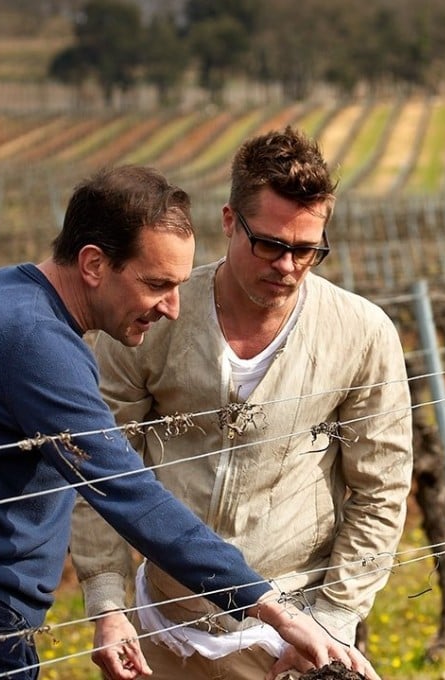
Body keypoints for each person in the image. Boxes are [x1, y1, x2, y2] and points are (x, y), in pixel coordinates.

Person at [0, 164, 381, 680]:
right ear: (93, 264)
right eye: (156, 284)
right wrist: (271, 606)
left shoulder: (3, 298)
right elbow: (128, 491)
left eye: (179, 285)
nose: (173, 308)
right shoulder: (36, 342)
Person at [71, 128, 413, 680]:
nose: (287, 266)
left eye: (307, 250)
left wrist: (334, 618)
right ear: (230, 221)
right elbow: (101, 467)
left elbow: (381, 490)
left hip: (293, 636)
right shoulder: (153, 319)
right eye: (270, 245)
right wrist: (109, 603)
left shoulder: (361, 333)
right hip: (164, 629)